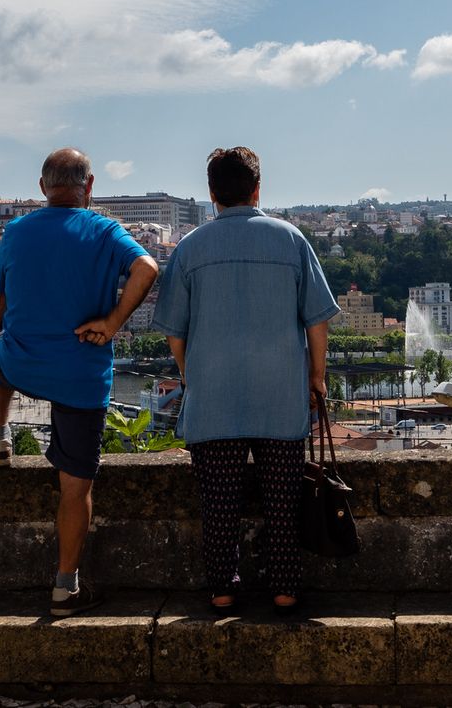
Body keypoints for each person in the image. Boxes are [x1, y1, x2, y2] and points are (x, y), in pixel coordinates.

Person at [151, 146, 338, 615]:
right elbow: (317, 321)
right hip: (280, 393)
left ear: (212, 193)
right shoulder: (292, 240)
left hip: (213, 395)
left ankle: (222, 588)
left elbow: (174, 331)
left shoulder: (191, 247)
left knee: (219, 504)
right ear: (258, 188)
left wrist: (192, 374)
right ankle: (284, 587)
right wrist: (316, 377)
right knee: (283, 500)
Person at [0, 147, 159, 617]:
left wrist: (14, 328)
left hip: (22, 364)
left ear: (43, 187)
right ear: (90, 186)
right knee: (75, 490)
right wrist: (114, 321)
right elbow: (147, 268)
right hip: (82, 371)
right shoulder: (105, 231)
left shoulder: (17, 230)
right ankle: (65, 587)